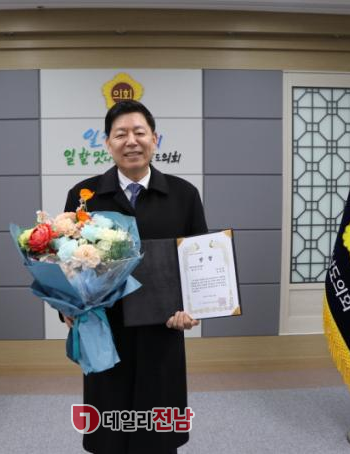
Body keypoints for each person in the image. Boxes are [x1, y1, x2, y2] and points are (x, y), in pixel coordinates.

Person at [62, 100, 208, 453]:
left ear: (154, 139)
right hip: (104, 332)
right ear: (107, 143)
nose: (131, 141)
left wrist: (195, 308)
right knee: (109, 429)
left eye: (139, 132)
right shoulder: (83, 197)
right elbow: (65, 263)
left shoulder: (184, 195)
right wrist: (68, 308)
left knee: (158, 430)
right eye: (121, 134)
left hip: (163, 329)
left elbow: (200, 262)